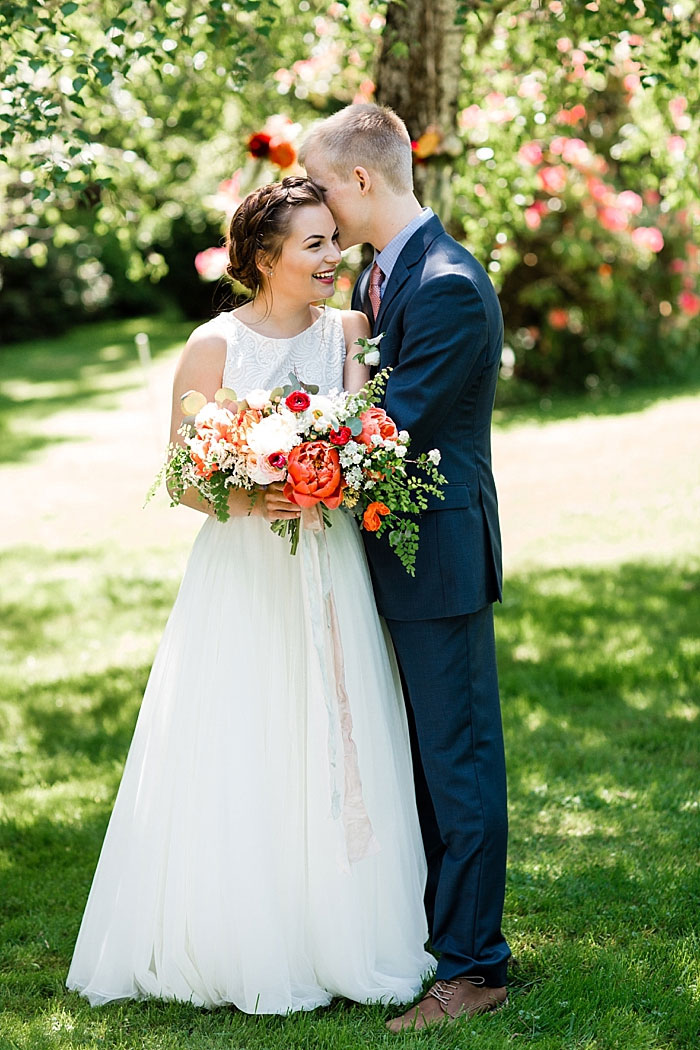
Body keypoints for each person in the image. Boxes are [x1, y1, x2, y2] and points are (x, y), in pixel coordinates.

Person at [66, 176, 435, 1013]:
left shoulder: (351, 329)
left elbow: (363, 429)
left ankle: (344, 926)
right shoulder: (213, 347)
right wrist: (250, 491)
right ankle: (246, 928)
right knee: (248, 731)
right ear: (265, 257)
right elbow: (180, 479)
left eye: (333, 240)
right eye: (314, 245)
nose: (333, 257)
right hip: (245, 570)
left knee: (339, 728)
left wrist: (334, 469)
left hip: (331, 562)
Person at [301, 105, 510, 1030]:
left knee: (456, 763)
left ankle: (474, 968)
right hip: (387, 550)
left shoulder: (449, 284)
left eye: (320, 184)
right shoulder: (392, 276)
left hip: (440, 560)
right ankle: (436, 937)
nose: (316, 205)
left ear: (360, 181)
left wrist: (274, 452)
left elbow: (392, 428)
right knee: (418, 761)